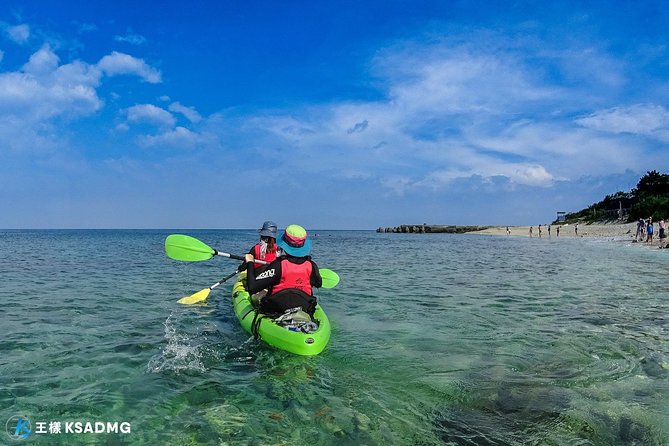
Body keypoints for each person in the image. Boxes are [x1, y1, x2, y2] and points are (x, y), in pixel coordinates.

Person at [244, 224, 322, 316]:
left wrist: (250, 262)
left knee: (258, 296)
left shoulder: (278, 265)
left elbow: (252, 287)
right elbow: (318, 284)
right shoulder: (311, 266)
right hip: (304, 307)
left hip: (277, 308)